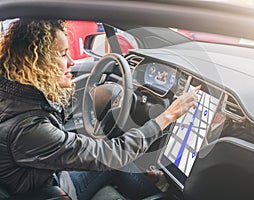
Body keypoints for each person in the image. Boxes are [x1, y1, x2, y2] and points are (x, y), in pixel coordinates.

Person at [0, 19, 200, 200]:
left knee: (115, 157)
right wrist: (167, 116)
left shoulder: (18, 96)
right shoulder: (28, 128)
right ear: (35, 63)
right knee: (116, 159)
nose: (70, 62)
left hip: (44, 178)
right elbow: (112, 154)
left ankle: (154, 181)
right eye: (62, 54)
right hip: (51, 191)